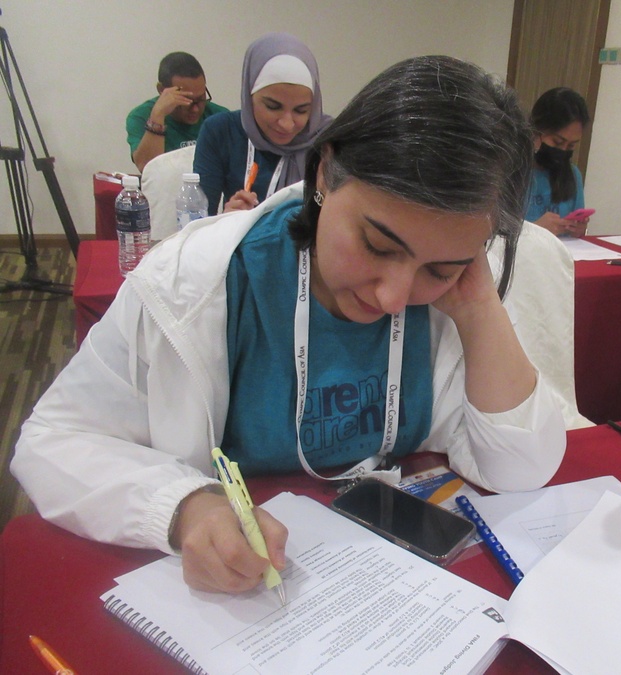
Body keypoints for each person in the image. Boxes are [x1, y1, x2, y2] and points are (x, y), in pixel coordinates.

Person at [12, 56, 566, 596]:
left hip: (384, 586)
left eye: (439, 268)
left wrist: (476, 307)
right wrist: (185, 505)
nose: (394, 296)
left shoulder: (453, 295)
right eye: (376, 245)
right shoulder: (196, 282)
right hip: (248, 595)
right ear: (325, 172)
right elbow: (53, 441)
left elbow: (519, 468)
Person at [193, 33, 331, 215]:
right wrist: (225, 222)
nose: (287, 124)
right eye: (273, 107)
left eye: (301, 110)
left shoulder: (329, 139)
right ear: (249, 97)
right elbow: (199, 225)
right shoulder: (220, 131)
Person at [126, 52, 228, 172]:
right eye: (186, 100)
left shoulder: (220, 117)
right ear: (162, 91)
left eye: (200, 99)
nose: (195, 109)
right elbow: (147, 168)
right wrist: (158, 116)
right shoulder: (141, 116)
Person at [525, 87, 592, 237]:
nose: (563, 150)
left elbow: (577, 233)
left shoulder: (573, 175)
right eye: (557, 142)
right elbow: (488, 239)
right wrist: (533, 230)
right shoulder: (509, 172)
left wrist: (580, 230)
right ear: (536, 131)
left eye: (571, 145)